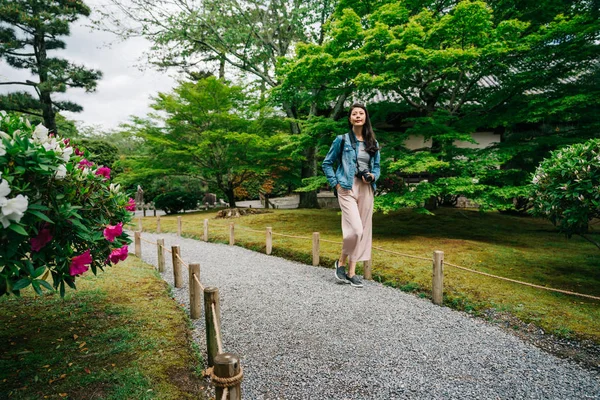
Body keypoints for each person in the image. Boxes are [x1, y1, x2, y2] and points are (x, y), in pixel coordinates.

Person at [322, 103, 381, 288]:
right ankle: (340, 262)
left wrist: (373, 176)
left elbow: (377, 167)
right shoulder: (341, 140)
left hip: (366, 189)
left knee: (362, 231)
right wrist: (336, 184)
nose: (357, 116)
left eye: (361, 113)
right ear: (350, 118)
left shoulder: (373, 143)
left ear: (365, 118)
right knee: (355, 230)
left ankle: (352, 272)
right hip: (346, 188)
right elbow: (326, 163)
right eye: (354, 113)